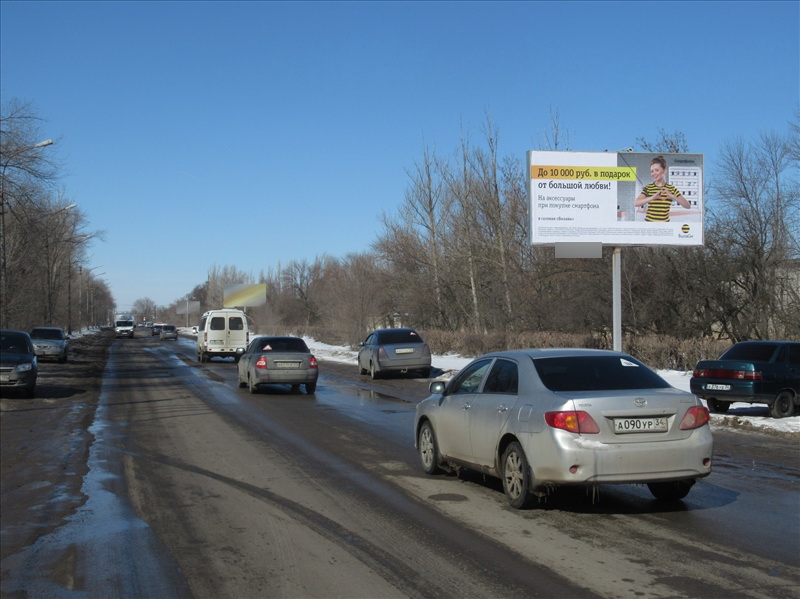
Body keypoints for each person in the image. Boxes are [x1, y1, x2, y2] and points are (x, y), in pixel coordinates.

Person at [634, 156, 690, 222]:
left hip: (664, 226)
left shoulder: (671, 188)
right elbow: (636, 203)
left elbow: (687, 206)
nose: (653, 173)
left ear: (664, 171)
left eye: (657, 170)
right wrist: (652, 197)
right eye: (652, 171)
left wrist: (672, 196)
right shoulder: (648, 187)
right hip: (649, 225)